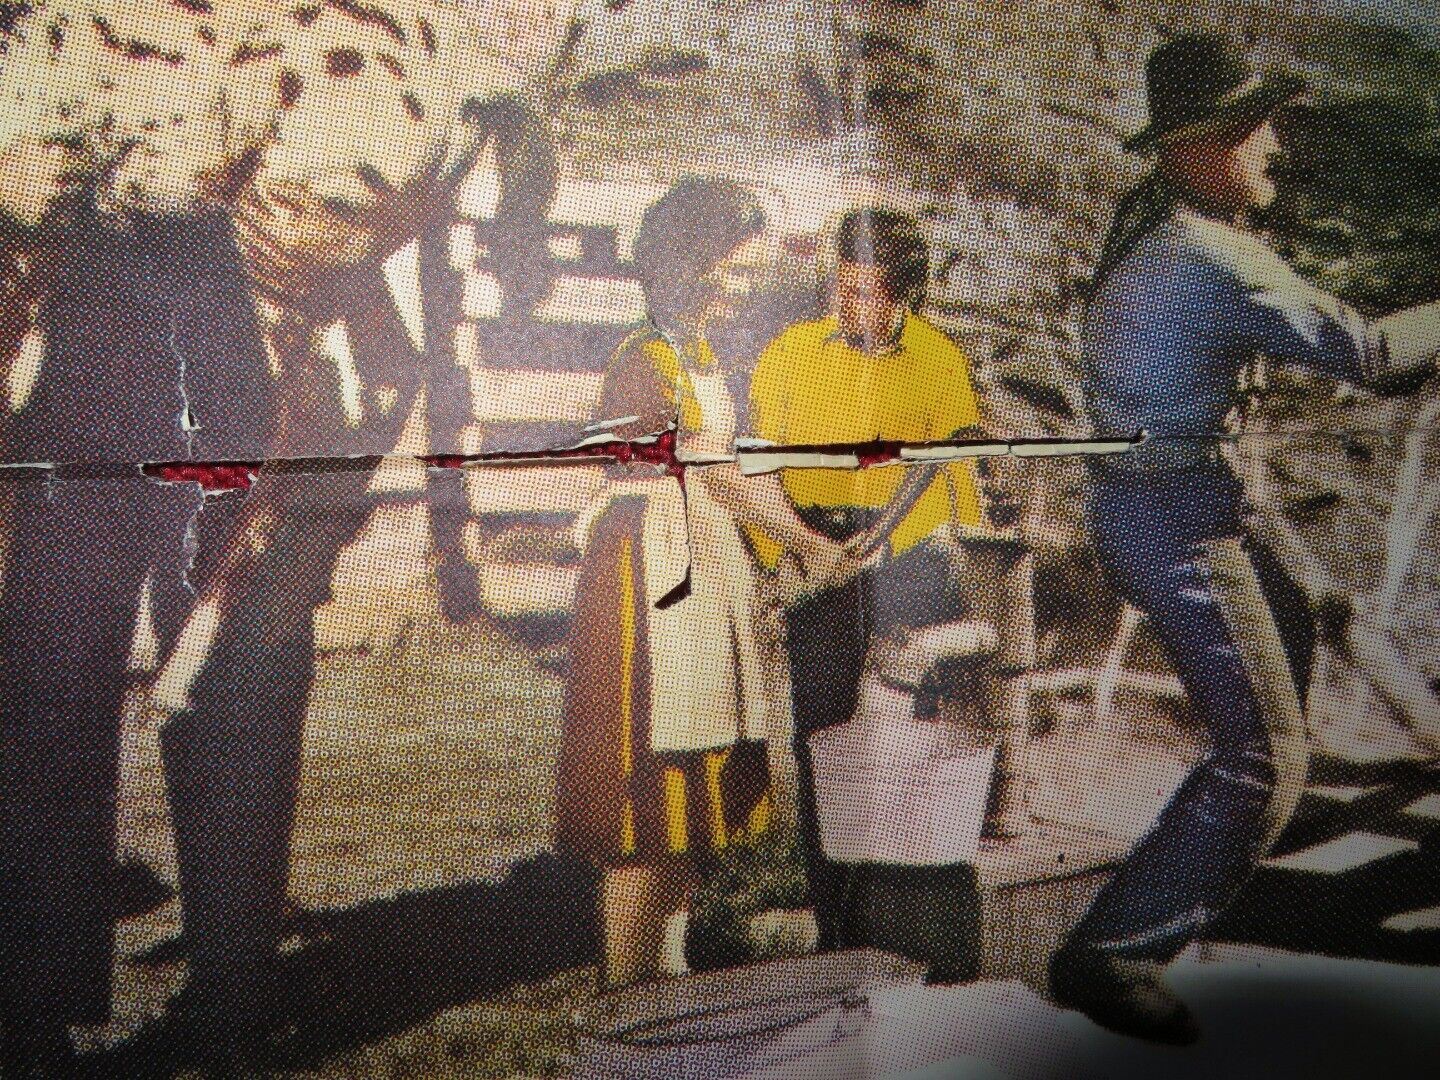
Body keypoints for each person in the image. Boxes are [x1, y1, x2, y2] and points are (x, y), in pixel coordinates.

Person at [1052, 32, 1440, 1045]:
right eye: (1253, 127)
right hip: (1174, 514)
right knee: (1264, 755)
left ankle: (1240, 827)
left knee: (1292, 631)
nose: (1273, 145)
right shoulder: (1208, 254)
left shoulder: (1160, 226)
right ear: (1204, 147)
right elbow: (1368, 352)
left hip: (1161, 500)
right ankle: (1110, 955)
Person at [0, 185, 273, 1075]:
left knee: (223, 689)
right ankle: (35, 1008)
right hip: (81, 386)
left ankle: (231, 1000)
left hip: (216, 354)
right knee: (51, 687)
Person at [555, 176, 785, 990]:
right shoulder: (643, 360)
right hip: (647, 573)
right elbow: (711, 466)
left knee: (697, 770)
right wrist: (794, 539)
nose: (745, 287)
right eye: (736, 269)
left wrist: (779, 541)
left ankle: (674, 961)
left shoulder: (699, 352)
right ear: (689, 264)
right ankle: (627, 982)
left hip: (698, 558)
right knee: (647, 783)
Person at [744, 206, 987, 958]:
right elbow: (756, 461)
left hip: (906, 564)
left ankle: (908, 924)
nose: (856, 309)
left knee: (905, 739)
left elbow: (952, 465)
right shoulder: (788, 352)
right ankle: (834, 921)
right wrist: (781, 553)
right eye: (843, 291)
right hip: (815, 554)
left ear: (903, 292)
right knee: (822, 739)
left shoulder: (939, 358)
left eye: (872, 294)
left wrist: (907, 548)